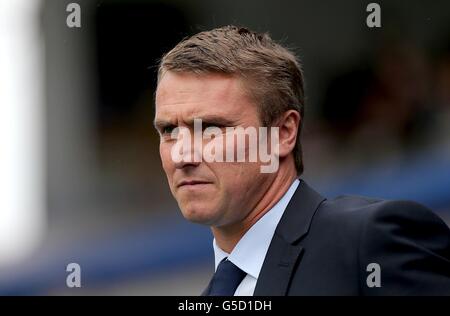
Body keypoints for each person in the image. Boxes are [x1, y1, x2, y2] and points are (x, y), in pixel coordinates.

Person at [153, 25, 450, 295]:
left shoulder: (370, 243)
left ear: (283, 133)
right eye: (169, 130)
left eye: (211, 129)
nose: (183, 155)